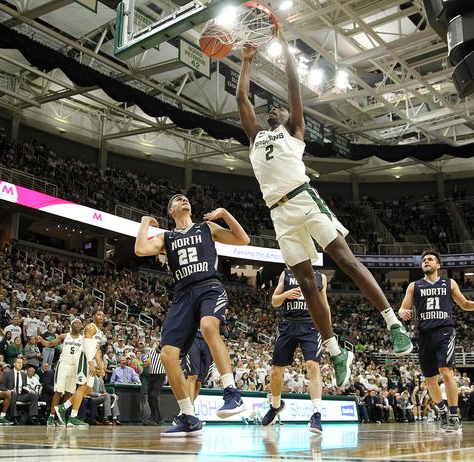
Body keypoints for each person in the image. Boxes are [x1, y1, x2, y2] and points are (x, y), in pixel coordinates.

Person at [236, 33, 413, 387]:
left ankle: (393, 323)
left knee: (345, 261)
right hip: (278, 213)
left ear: (289, 117)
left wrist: (286, 49)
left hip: (304, 198)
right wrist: (247, 60)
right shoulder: (256, 137)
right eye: (270, 108)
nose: (273, 109)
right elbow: (241, 97)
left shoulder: (296, 132)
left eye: (279, 108)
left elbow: (292, 84)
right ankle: (334, 350)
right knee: (305, 283)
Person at [134, 195, 250, 437]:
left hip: (209, 287)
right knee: (168, 354)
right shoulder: (167, 237)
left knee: (208, 326)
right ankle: (188, 416)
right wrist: (145, 222)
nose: (184, 200)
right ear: (171, 210)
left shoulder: (206, 227)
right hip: (182, 295)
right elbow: (140, 249)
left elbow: (243, 239)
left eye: (186, 198)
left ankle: (232, 393)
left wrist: (225, 213)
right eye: (178, 199)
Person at [398, 249, 474, 433]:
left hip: (445, 332)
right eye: (424, 260)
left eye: (430, 259)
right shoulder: (414, 286)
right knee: (430, 380)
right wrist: (402, 312)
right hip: (423, 334)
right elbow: (403, 308)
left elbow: (464, 304)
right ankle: (442, 410)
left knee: (446, 371)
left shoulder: (449, 283)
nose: (426, 261)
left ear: (438, 265)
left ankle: (454, 416)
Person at [261, 269, 327, 433]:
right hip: (288, 324)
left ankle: (316, 414)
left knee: (313, 366)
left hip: (311, 326)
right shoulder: (286, 274)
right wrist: (286, 294)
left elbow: (325, 306)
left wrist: (328, 332)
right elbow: (274, 302)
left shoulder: (320, 277)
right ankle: (276, 406)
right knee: (276, 370)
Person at [54, 313, 105, 427]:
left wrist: (101, 367)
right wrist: (91, 363)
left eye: (103, 315)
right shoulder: (90, 327)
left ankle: (63, 407)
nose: (101, 316)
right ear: (93, 317)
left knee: (88, 390)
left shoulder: (99, 332)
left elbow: (96, 350)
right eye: (98, 314)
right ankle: (72, 417)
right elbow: (86, 347)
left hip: (90, 358)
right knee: (82, 387)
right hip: (83, 357)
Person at [38, 318, 85, 426]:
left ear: (81, 326)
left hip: (75, 367)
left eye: (80, 323)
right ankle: (51, 416)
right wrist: (41, 340)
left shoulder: (83, 339)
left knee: (69, 392)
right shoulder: (64, 336)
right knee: (58, 391)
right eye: (75, 323)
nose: (78, 324)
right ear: (71, 325)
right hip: (63, 364)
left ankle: (61, 415)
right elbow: (50, 344)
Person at [0, 357, 40, 424]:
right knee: (14, 393)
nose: (20, 364)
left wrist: (29, 391)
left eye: (21, 363)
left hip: (20, 395)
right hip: (11, 395)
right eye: (18, 363)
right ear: (14, 364)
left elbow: (24, 387)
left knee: (34, 395)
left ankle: (32, 417)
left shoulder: (24, 374)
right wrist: (9, 391)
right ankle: (14, 416)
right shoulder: (7, 373)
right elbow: (1, 386)